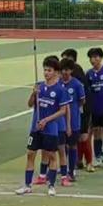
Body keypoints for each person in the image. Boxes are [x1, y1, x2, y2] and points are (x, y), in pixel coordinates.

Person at [15, 57, 70, 196]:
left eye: (49, 70)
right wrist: (33, 93)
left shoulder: (60, 90)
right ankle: (27, 185)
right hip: (35, 128)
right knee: (30, 154)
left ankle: (51, 185)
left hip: (50, 129)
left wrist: (46, 120)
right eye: (45, 70)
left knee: (52, 155)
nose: (46, 73)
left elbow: (63, 111)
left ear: (56, 72)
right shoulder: (39, 86)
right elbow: (30, 104)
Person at [61, 48, 94, 173]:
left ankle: (89, 162)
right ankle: (76, 161)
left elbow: (82, 97)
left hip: (82, 110)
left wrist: (79, 108)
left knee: (83, 137)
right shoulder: (62, 77)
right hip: (68, 113)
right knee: (69, 139)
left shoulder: (77, 74)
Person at [60, 58, 86, 181]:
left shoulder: (76, 84)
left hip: (74, 121)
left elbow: (82, 100)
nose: (65, 72)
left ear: (71, 70)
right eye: (63, 70)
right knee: (61, 146)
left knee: (72, 146)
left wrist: (74, 108)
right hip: (60, 121)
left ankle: (72, 170)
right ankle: (63, 169)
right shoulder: (58, 83)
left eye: (67, 70)